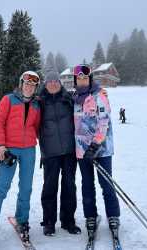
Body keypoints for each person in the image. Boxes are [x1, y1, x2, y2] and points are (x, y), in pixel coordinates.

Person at [0, 71, 41, 245]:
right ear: (21, 83)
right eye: (26, 83)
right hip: (10, 149)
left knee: (26, 187)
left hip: (29, 149)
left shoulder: (37, 105)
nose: (29, 86)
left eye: (33, 84)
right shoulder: (8, 99)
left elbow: (37, 128)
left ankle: (22, 221)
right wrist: (0, 145)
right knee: (2, 185)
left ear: (36, 87)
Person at [72, 64, 120, 238]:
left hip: (102, 149)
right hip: (82, 151)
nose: (83, 80)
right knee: (87, 185)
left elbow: (104, 122)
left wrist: (95, 145)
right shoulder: (74, 98)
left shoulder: (99, 95)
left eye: (85, 78)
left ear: (90, 79)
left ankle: (113, 215)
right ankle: (90, 216)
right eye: (79, 78)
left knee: (106, 183)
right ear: (76, 80)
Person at [38, 71, 81, 236]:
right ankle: (49, 222)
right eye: (50, 81)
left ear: (60, 83)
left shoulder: (69, 98)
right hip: (50, 152)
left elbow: (87, 98)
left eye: (56, 81)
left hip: (70, 150)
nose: (53, 84)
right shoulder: (40, 102)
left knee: (69, 186)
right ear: (45, 84)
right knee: (50, 187)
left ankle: (68, 221)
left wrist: (100, 91)